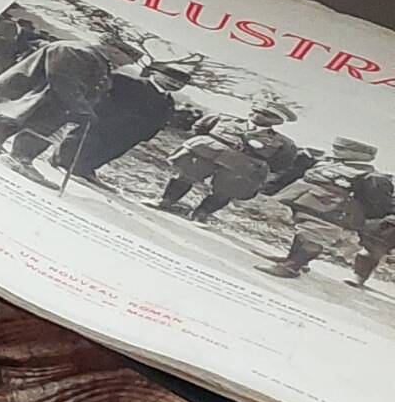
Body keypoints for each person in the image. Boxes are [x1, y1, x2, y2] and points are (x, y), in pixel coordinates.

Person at [0, 28, 132, 184]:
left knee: (21, 115)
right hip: (45, 96)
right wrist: (82, 108)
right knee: (37, 124)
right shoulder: (76, 51)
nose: (130, 63)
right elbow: (65, 82)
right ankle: (18, 158)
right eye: (129, 59)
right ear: (115, 51)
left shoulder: (91, 55)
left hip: (48, 97)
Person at [61, 53, 214, 188]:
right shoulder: (127, 81)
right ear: (155, 73)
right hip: (103, 124)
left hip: (131, 135)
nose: (174, 84)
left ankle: (85, 169)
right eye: (170, 79)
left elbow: (160, 121)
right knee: (84, 142)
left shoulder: (168, 101)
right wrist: (93, 112)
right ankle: (62, 161)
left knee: (109, 152)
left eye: (179, 84)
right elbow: (100, 95)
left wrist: (145, 135)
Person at [265, 140, 395, 286]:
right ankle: (292, 259)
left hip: (332, 211)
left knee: (313, 237)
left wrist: (359, 215)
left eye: (341, 148)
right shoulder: (329, 163)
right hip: (310, 205)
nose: (335, 150)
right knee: (303, 233)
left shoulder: (371, 177)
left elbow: (378, 205)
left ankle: (291, 267)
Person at [157, 103, 309, 221]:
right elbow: (200, 129)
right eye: (256, 111)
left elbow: (281, 163)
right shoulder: (223, 119)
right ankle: (166, 201)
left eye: (266, 115)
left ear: (277, 121)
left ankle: (201, 214)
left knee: (225, 192)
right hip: (208, 154)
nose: (258, 115)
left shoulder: (284, 142)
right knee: (186, 175)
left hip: (242, 167)